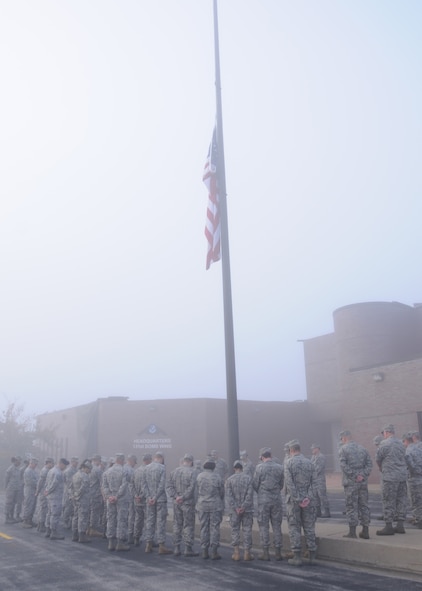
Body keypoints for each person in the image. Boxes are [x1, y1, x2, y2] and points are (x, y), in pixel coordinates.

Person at [285, 441, 317, 566]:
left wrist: (298, 498)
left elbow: (289, 483)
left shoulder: (289, 463)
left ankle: (297, 556)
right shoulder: (309, 462)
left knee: (294, 527)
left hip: (294, 501)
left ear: (291, 450)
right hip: (308, 500)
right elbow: (314, 483)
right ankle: (312, 555)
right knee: (309, 526)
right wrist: (307, 497)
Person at [338, 430, 372, 539]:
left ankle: (352, 532)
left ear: (343, 438)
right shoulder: (363, 448)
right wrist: (362, 475)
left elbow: (343, 465)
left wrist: (354, 476)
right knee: (364, 505)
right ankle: (365, 530)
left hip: (351, 483)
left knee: (351, 506)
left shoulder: (343, 449)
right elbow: (369, 464)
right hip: (362, 482)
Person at [252, 447, 284, 561]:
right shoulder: (280, 467)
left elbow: (255, 484)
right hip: (276, 500)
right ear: (271, 455)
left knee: (264, 526)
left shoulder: (259, 468)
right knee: (277, 526)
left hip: (263, 501)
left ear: (262, 457)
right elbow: (281, 484)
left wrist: (262, 493)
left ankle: (265, 552)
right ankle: (278, 552)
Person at [376, 424, 408, 535]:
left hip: (389, 477)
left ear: (386, 432)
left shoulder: (384, 443)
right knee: (401, 500)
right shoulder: (401, 443)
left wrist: (381, 468)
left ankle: (388, 526)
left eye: (383, 433)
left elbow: (378, 458)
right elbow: (405, 457)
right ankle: (400, 525)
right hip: (402, 477)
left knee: (388, 500)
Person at [166, 453, 199, 557]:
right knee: (188, 525)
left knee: (177, 524)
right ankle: (188, 548)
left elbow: (169, 486)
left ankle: (176, 548)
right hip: (188, 503)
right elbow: (192, 488)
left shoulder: (174, 471)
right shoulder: (193, 472)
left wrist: (176, 497)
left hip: (176, 503)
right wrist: (183, 497)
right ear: (191, 462)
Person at [142, 451, 172, 554]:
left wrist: (149, 497)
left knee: (150, 522)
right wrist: (155, 497)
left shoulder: (146, 468)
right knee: (160, 522)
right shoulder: (162, 468)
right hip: (160, 500)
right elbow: (161, 484)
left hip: (149, 500)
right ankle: (161, 546)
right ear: (161, 458)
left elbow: (143, 485)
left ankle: (148, 544)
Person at [196, 457, 225, 559]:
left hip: (202, 504)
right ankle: (214, 551)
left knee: (204, 527)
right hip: (215, 505)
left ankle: (204, 550)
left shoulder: (199, 476)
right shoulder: (218, 477)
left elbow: (196, 491)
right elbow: (222, 492)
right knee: (214, 528)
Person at [225, 460, 254, 561]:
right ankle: (247, 553)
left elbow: (229, 496)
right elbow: (250, 495)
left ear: (234, 468)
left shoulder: (229, 480)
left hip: (234, 511)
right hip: (247, 510)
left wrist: (236, 507)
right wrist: (244, 506)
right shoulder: (249, 479)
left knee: (235, 530)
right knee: (247, 530)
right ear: (242, 468)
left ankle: (236, 553)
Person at [102, 452, 131, 551]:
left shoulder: (107, 472)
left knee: (110, 519)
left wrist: (110, 496)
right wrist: (117, 496)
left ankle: (110, 542)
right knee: (121, 520)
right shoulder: (124, 471)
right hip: (121, 499)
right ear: (122, 460)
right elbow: (124, 486)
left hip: (110, 499)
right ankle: (120, 543)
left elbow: (104, 486)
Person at [44, 457, 69, 540]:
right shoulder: (58, 473)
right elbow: (54, 485)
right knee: (55, 515)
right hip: (56, 496)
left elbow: (47, 483)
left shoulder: (51, 470)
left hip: (50, 497)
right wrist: (48, 491)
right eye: (64, 465)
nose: (65, 467)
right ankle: (53, 532)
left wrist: (46, 491)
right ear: (61, 463)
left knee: (49, 513)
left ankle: (48, 531)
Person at [71, 459, 92, 543]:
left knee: (75, 517)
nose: (89, 471)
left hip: (75, 500)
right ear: (86, 468)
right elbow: (82, 489)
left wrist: (73, 496)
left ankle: (74, 535)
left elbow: (71, 486)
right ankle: (82, 536)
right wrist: (77, 496)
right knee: (82, 518)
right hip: (83, 499)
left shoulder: (75, 474)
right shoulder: (85, 476)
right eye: (89, 469)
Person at [133, 453, 152, 547]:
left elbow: (131, 485)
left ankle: (136, 538)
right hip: (146, 500)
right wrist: (141, 495)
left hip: (137, 500)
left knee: (138, 519)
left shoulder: (136, 471)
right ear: (149, 460)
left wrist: (136, 495)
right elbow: (148, 486)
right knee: (149, 520)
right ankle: (149, 540)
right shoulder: (149, 471)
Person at [310, 444, 331, 518]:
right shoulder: (313, 457)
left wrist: (311, 473)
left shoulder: (321, 457)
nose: (312, 450)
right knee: (315, 496)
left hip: (320, 480)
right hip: (314, 480)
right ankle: (318, 512)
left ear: (317, 449)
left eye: (313, 448)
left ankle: (327, 512)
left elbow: (318, 469)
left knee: (322, 496)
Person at [35, 457, 54, 532]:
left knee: (43, 509)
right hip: (43, 493)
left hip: (45, 492)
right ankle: (41, 525)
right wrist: (37, 491)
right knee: (43, 509)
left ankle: (40, 525)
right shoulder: (45, 470)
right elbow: (40, 482)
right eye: (51, 463)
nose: (52, 465)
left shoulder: (47, 470)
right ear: (48, 463)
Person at [88, 454, 104, 537]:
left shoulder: (88, 468)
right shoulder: (98, 470)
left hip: (88, 493)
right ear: (97, 460)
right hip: (96, 494)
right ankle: (92, 529)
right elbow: (102, 483)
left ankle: (88, 528)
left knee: (89, 511)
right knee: (95, 512)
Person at [4, 456, 22, 524]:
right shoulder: (10, 469)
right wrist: (6, 488)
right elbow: (6, 479)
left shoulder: (18, 469)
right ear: (15, 461)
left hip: (16, 489)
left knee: (14, 503)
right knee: (9, 503)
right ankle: (7, 517)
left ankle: (11, 517)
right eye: (18, 461)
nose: (19, 462)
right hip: (11, 489)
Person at [22, 457, 39, 528]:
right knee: (28, 505)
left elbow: (37, 479)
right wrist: (38, 484)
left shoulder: (33, 471)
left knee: (32, 506)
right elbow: (30, 482)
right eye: (34, 464)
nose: (35, 465)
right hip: (29, 490)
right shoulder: (28, 471)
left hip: (33, 490)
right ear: (31, 463)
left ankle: (30, 520)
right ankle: (25, 521)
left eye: (36, 464)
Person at [62, 456, 79, 529]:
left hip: (75, 491)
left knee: (73, 508)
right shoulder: (68, 471)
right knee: (68, 508)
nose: (77, 463)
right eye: (75, 462)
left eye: (77, 462)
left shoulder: (76, 470)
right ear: (72, 462)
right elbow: (69, 483)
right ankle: (65, 521)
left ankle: (71, 522)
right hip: (69, 492)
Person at [125, 454, 137, 544]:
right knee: (131, 516)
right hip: (130, 497)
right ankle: (130, 536)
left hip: (120, 498)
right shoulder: (132, 471)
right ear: (132, 461)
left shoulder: (121, 468)